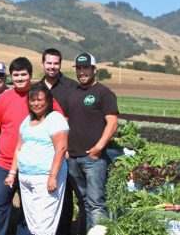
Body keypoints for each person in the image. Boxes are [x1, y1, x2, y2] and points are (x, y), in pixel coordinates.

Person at [0, 57, 63, 235]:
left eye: (23, 74)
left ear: (30, 75)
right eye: (16, 75)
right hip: (5, 164)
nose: (19, 78)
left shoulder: (41, 97)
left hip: (33, 167)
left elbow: (59, 123)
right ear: (11, 77)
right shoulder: (4, 99)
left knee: (30, 212)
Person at [64, 53, 119, 232]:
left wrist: (98, 148)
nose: (82, 72)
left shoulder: (104, 93)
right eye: (79, 68)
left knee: (96, 204)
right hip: (72, 158)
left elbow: (112, 124)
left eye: (85, 68)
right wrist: (65, 149)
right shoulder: (72, 93)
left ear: (94, 70)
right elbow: (65, 122)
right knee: (83, 202)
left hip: (93, 159)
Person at [6, 84, 69, 235]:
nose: (36, 103)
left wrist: (52, 177)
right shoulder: (27, 120)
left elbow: (61, 149)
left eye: (40, 99)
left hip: (45, 177)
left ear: (48, 100)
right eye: (32, 100)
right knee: (33, 221)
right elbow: (19, 148)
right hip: (26, 177)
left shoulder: (55, 119)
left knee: (44, 223)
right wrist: (12, 173)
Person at [38, 48, 83, 235]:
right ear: (42, 64)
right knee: (44, 195)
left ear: (60, 65)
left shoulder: (72, 87)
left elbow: (78, 117)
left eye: (56, 63)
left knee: (65, 196)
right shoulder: (36, 88)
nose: (52, 67)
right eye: (49, 63)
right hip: (42, 150)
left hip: (65, 150)